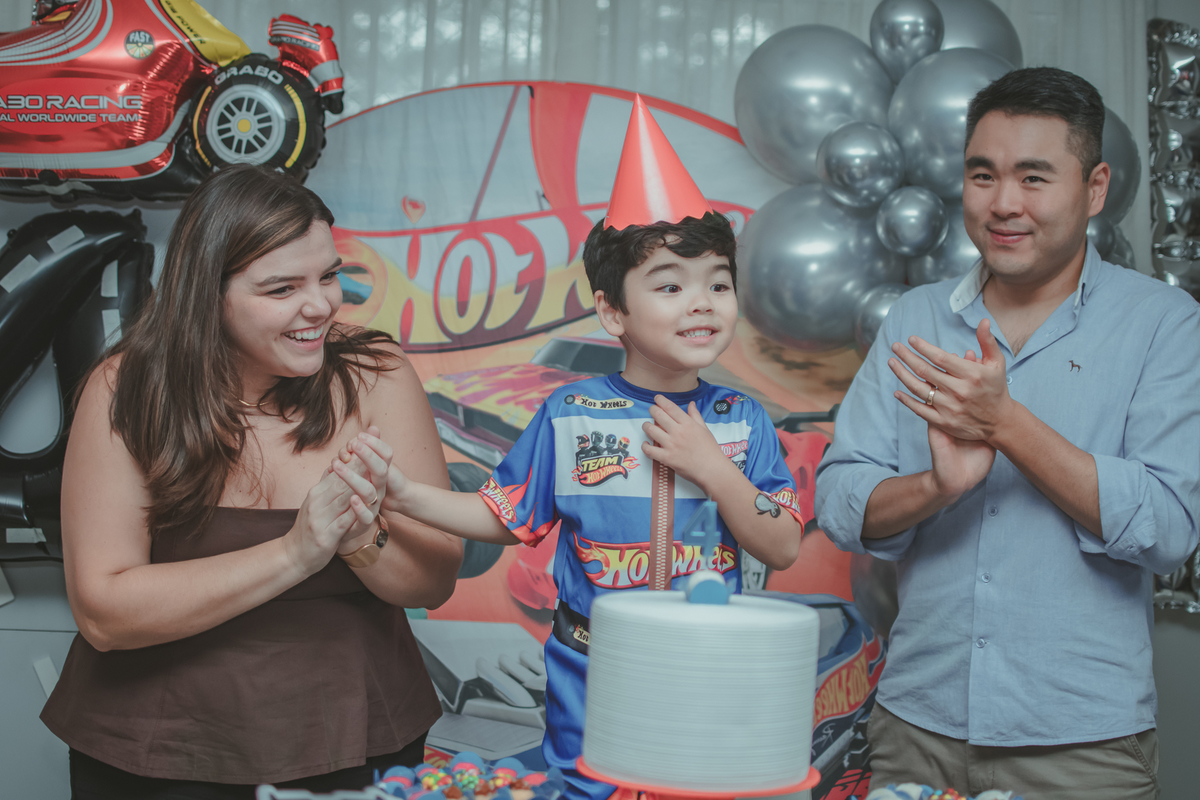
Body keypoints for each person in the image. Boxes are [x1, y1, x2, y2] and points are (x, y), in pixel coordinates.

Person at [341, 97, 805, 800]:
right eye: (671, 286)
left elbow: (782, 546)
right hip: (592, 670)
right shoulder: (569, 414)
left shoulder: (745, 420)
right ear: (612, 309)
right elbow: (505, 517)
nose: (703, 303)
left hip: (708, 676)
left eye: (719, 283)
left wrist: (713, 467)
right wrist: (405, 496)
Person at [814, 67, 1200, 800]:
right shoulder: (916, 318)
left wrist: (1007, 424)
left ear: (1093, 188)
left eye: (1033, 177)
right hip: (914, 728)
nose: (1003, 204)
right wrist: (935, 487)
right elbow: (838, 499)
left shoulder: (1164, 325)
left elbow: (1169, 528)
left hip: (1082, 746)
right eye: (982, 175)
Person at [41, 165, 463, 799]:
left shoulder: (376, 375)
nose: (319, 304)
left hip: (352, 731)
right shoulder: (124, 388)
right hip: (158, 744)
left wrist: (355, 540)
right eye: (280, 288)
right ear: (208, 294)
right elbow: (105, 612)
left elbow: (434, 579)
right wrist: (296, 551)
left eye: (327, 275)